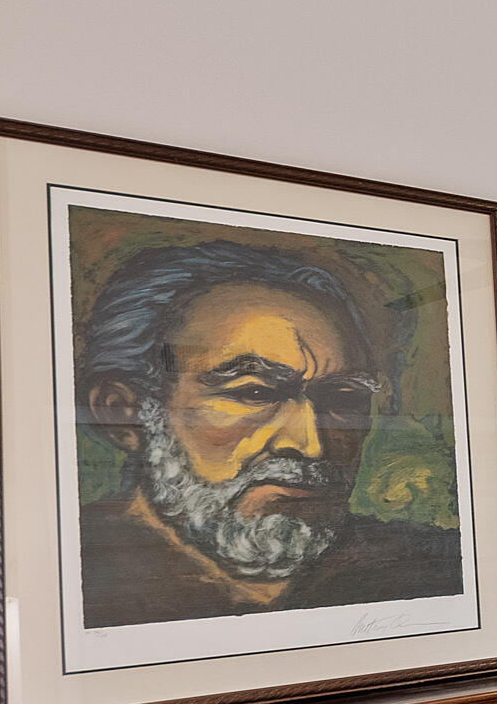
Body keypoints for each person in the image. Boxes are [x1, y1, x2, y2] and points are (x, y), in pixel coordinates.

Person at [73, 238, 461, 627]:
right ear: (124, 414)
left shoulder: (432, 565)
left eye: (342, 399)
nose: (310, 445)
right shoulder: (73, 579)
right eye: (255, 393)